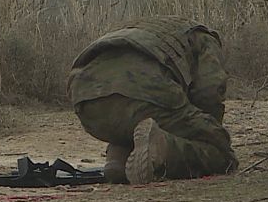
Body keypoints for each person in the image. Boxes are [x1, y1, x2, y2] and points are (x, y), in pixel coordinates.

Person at [68, 16, 238, 184]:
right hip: (147, 89)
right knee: (222, 154)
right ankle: (160, 150)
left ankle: (119, 159)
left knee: (137, 121)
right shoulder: (203, 37)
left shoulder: (131, 27)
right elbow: (209, 90)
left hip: (85, 97)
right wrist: (208, 131)